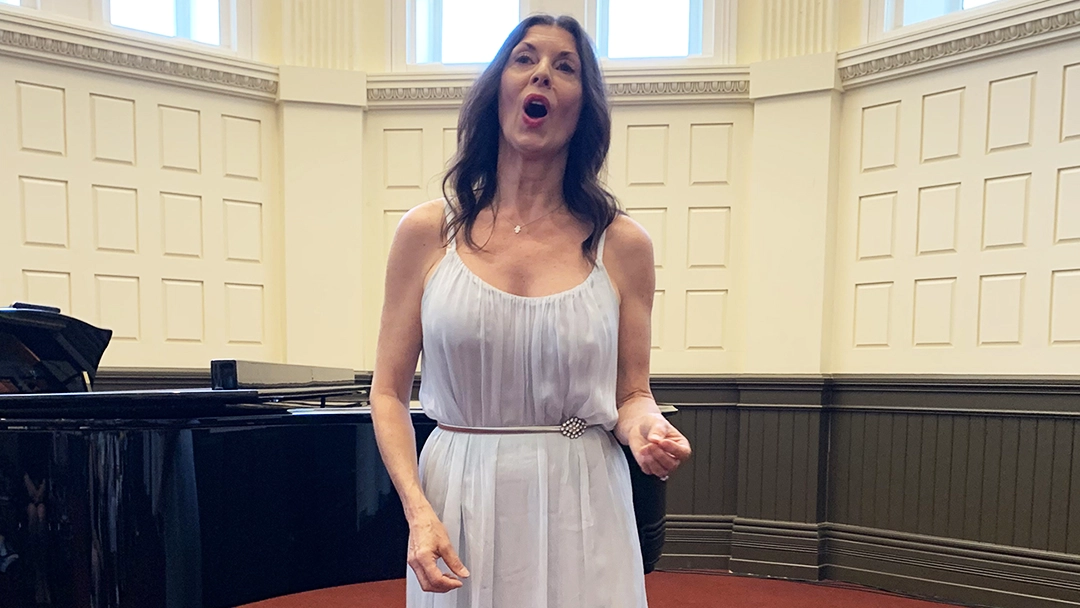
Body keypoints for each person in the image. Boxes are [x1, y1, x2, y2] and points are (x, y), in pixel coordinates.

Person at [370, 13, 692, 608]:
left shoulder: (622, 245)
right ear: (498, 89)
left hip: (583, 494)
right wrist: (417, 512)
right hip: (458, 493)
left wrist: (648, 431)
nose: (542, 73)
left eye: (564, 66)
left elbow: (631, 394)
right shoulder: (426, 233)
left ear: (582, 106)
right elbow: (387, 392)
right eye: (525, 59)